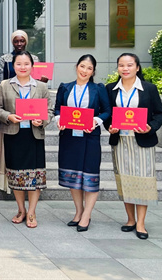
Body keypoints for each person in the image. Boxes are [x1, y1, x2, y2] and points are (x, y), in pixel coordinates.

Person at [104, 53, 162, 240]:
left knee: (143, 181)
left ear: (137, 67)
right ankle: (130, 219)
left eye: (129, 65)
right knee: (125, 180)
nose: (125, 68)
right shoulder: (111, 89)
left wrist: (150, 127)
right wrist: (109, 127)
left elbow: (160, 114)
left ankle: (141, 223)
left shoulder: (149, 89)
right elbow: (107, 114)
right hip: (121, 141)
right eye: (121, 65)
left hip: (142, 141)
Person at [0, 50, 53, 229]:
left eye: (26, 64)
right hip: (13, 135)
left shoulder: (41, 87)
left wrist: (42, 120)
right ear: (13, 66)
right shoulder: (5, 85)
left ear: (32, 66)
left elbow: (49, 111)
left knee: (35, 177)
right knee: (16, 175)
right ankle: (21, 209)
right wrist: (8, 116)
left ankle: (32, 212)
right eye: (19, 64)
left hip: (34, 136)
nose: (23, 67)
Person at [55, 54, 111, 232]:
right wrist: (58, 119)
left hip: (90, 137)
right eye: (82, 66)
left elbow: (107, 111)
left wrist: (96, 120)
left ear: (93, 71)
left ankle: (86, 215)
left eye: (89, 68)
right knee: (73, 176)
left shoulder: (98, 89)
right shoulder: (65, 87)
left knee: (90, 176)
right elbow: (58, 109)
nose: (85, 71)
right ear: (76, 67)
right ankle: (78, 211)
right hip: (69, 137)